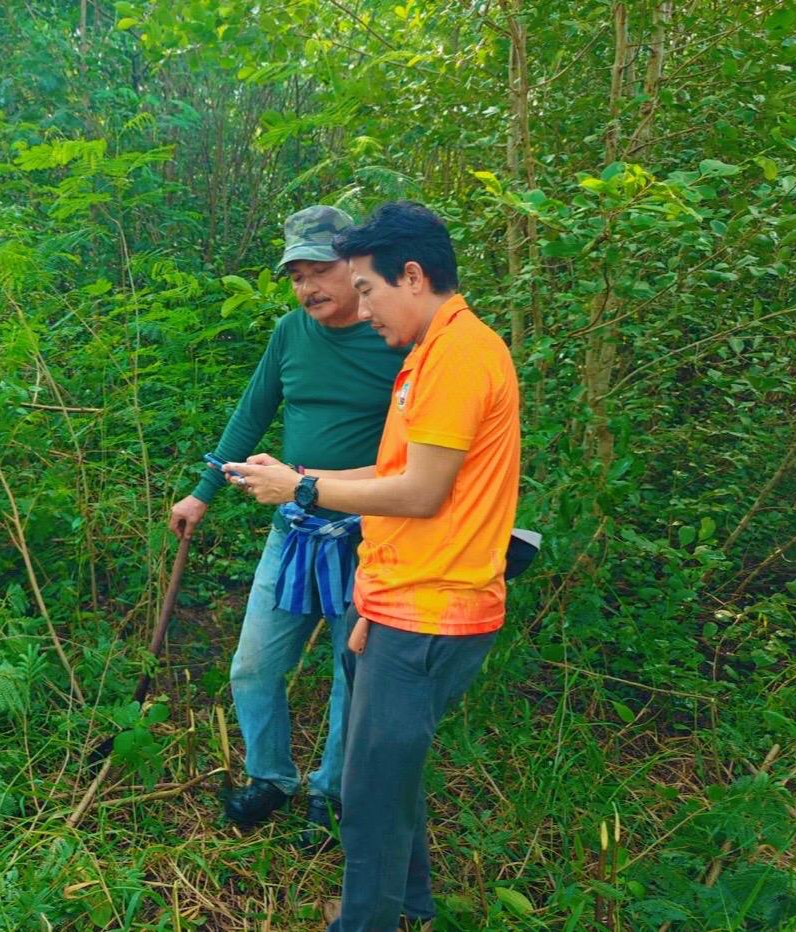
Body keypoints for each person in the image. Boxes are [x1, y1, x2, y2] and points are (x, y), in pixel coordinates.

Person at [223, 201, 521, 929]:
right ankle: (410, 904)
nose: (362, 308)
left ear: (411, 276)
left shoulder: (455, 356)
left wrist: (300, 486)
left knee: (368, 797)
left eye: (368, 290)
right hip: (404, 600)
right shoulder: (433, 352)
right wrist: (373, 596)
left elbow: (420, 493)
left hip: (433, 611)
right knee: (390, 777)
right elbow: (398, 471)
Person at [168, 205, 407, 848]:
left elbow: (414, 456)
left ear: (355, 265)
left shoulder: (396, 336)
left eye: (319, 270)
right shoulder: (290, 333)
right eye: (296, 275)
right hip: (294, 527)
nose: (308, 288)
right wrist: (202, 492)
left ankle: (330, 792)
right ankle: (272, 777)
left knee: (349, 672)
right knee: (252, 665)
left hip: (370, 533)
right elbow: (251, 416)